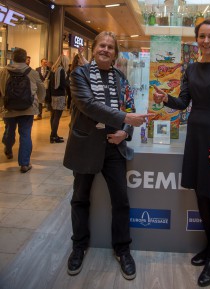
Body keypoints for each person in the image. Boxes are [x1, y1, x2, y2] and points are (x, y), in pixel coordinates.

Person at [153, 19, 210, 287]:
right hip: (195, 137)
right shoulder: (191, 68)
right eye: (202, 36)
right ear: (196, 39)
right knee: (201, 195)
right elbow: (183, 102)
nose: (206, 41)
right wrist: (165, 99)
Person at [63, 31, 151, 279]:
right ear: (93, 48)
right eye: (102, 45)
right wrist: (125, 119)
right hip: (85, 146)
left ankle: (122, 250)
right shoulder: (79, 74)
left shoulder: (121, 78)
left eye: (110, 47)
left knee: (121, 201)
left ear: (115, 53)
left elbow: (130, 107)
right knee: (80, 198)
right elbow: (88, 105)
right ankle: (78, 247)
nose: (105, 49)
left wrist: (125, 131)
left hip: (114, 147)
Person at [0, 48, 45, 173]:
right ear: (25, 59)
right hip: (28, 109)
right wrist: (39, 101)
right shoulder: (32, 72)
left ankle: (8, 148)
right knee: (25, 134)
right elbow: (41, 89)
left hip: (9, 108)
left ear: (12, 58)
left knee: (9, 130)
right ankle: (24, 164)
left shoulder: (4, 71)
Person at [48, 54, 69, 143]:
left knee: (53, 115)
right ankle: (53, 135)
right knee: (57, 116)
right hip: (59, 95)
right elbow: (63, 84)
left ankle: (53, 134)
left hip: (53, 95)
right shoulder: (61, 70)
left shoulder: (53, 70)